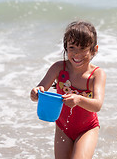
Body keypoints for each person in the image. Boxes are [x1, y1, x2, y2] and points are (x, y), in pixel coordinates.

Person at [30, 20, 106, 159]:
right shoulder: (58, 68)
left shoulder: (96, 74)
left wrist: (78, 99)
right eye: (72, 48)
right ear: (66, 47)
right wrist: (35, 93)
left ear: (94, 50)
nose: (77, 54)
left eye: (83, 48)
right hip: (63, 128)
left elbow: (97, 105)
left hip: (87, 128)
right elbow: (39, 92)